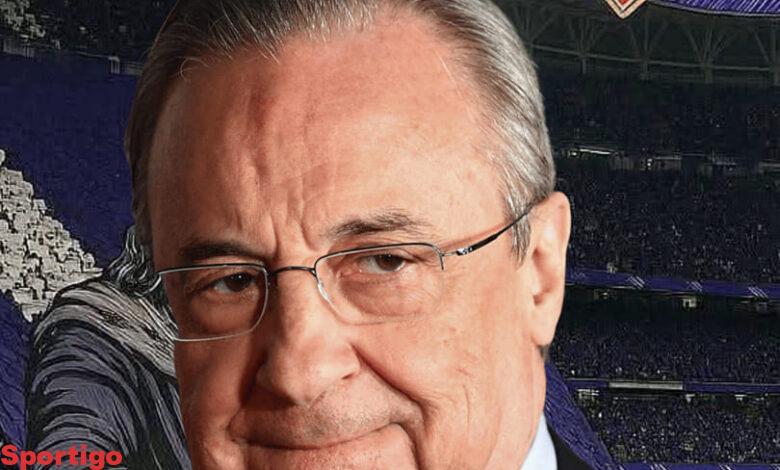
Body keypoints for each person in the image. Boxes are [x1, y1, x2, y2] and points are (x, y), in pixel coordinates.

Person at [29, 0, 584, 468]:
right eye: (231, 280)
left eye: (384, 261)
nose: (298, 373)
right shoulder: (94, 338)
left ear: (539, 274)